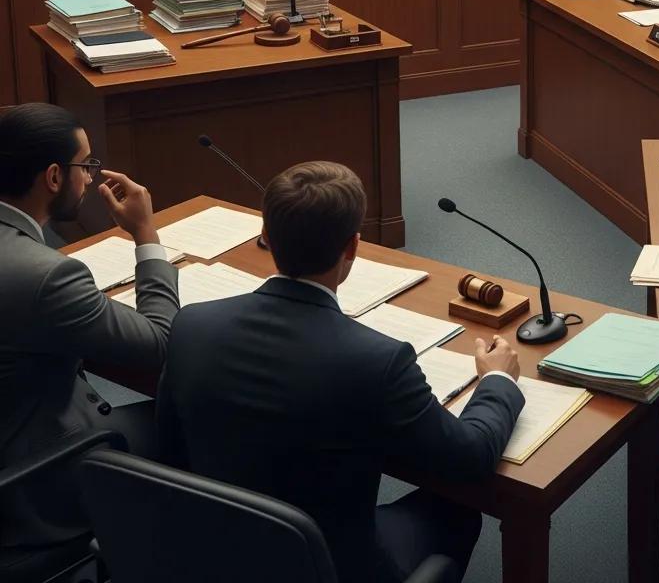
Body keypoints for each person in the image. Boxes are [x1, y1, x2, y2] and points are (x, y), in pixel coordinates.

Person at [157, 161, 525, 583]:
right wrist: (497, 381)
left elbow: (169, 450)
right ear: (352, 247)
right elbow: (470, 459)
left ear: (265, 236)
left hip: (213, 551)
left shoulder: (191, 325)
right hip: (332, 567)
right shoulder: (378, 361)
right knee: (458, 511)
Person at [0, 103, 178, 550]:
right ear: (54, 177)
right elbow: (160, 343)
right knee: (191, 413)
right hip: (31, 479)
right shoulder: (47, 276)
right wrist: (146, 234)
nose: (92, 178)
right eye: (86, 165)